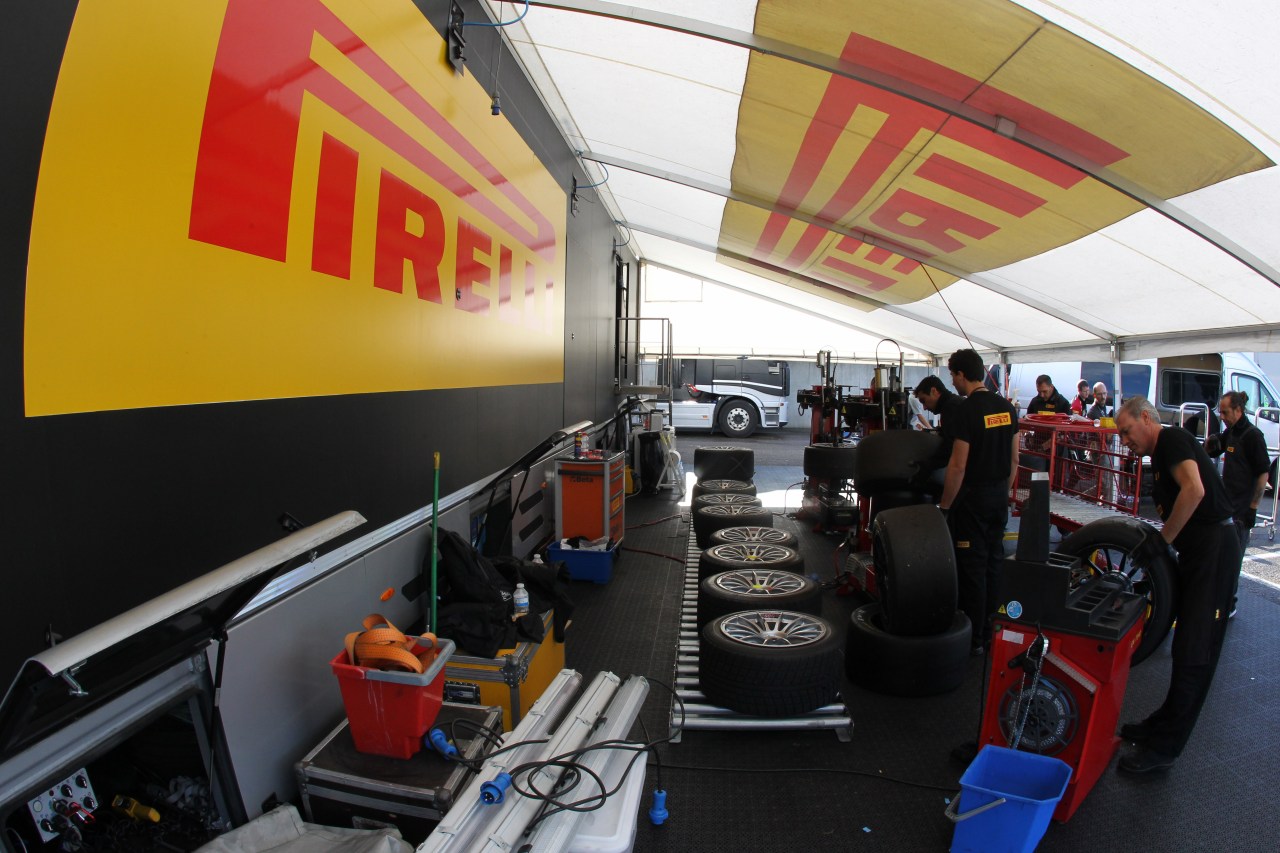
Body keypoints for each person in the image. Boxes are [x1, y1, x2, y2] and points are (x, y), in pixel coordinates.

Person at [1112, 396, 1239, 774]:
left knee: (1194, 652)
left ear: (1147, 418)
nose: (1124, 440)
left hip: (1214, 552)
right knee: (1183, 646)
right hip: (1199, 553)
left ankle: (1165, 748)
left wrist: (1162, 540)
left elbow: (1195, 491)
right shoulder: (1160, 452)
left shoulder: (1173, 440)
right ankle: (1161, 724)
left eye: (1126, 431)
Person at [939, 349, 1019, 655]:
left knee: (972, 566)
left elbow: (958, 466)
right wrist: (1003, 493)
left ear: (961, 375)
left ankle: (973, 638)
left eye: (953, 376)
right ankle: (992, 629)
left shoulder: (966, 410)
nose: (954, 382)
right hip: (999, 496)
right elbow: (1014, 460)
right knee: (994, 563)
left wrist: (945, 507)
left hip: (973, 499)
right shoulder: (1007, 408)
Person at [1205, 390, 1270, 614]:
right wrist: (1212, 444)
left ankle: (1228, 604)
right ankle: (1217, 598)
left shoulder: (1253, 436)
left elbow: (1263, 474)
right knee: (1219, 556)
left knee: (1233, 561)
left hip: (1242, 512)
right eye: (1220, 412)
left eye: (1225, 412)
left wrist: (1253, 509)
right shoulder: (1232, 431)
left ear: (1238, 410)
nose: (1221, 416)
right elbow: (1216, 447)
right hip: (1226, 507)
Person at [911, 375, 964, 498]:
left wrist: (926, 467)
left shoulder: (951, 408)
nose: (924, 407)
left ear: (934, 391)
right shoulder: (955, 403)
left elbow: (950, 448)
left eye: (924, 400)